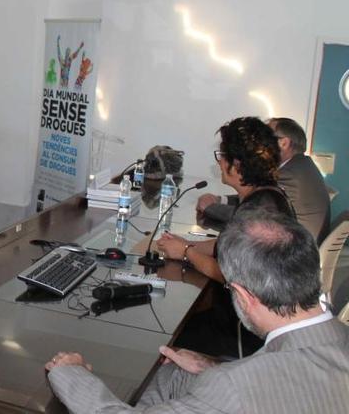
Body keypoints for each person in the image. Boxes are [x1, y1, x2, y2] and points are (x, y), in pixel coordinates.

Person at [45, 210, 349, 414]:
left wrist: (68, 373)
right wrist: (213, 367)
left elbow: (248, 390)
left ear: (243, 295)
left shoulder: (233, 388)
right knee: (169, 376)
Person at [158, 116, 294, 357]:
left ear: (238, 165)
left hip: (242, 336)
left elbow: (231, 276)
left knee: (166, 331)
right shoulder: (265, 197)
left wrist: (187, 253)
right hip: (240, 322)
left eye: (223, 156)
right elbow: (229, 246)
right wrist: (187, 244)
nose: (220, 162)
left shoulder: (259, 211)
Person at [197, 117, 331, 243]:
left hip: (292, 254)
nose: (260, 143)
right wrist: (222, 199)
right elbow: (253, 199)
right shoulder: (300, 166)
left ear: (284, 143)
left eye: (267, 137)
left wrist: (209, 208)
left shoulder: (289, 175)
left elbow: (250, 217)